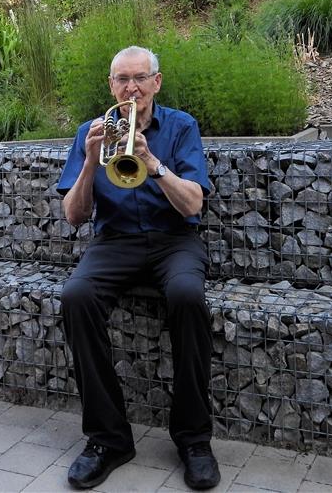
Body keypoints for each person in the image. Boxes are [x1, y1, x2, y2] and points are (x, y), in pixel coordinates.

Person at [57, 46, 221, 490]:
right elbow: (74, 215)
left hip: (174, 240)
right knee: (76, 298)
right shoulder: (89, 132)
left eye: (139, 79)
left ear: (156, 82)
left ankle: (193, 439)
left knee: (188, 298)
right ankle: (108, 440)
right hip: (114, 241)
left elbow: (194, 205)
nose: (131, 88)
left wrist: (151, 162)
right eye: (121, 80)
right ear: (110, 86)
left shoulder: (182, 127)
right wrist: (91, 161)